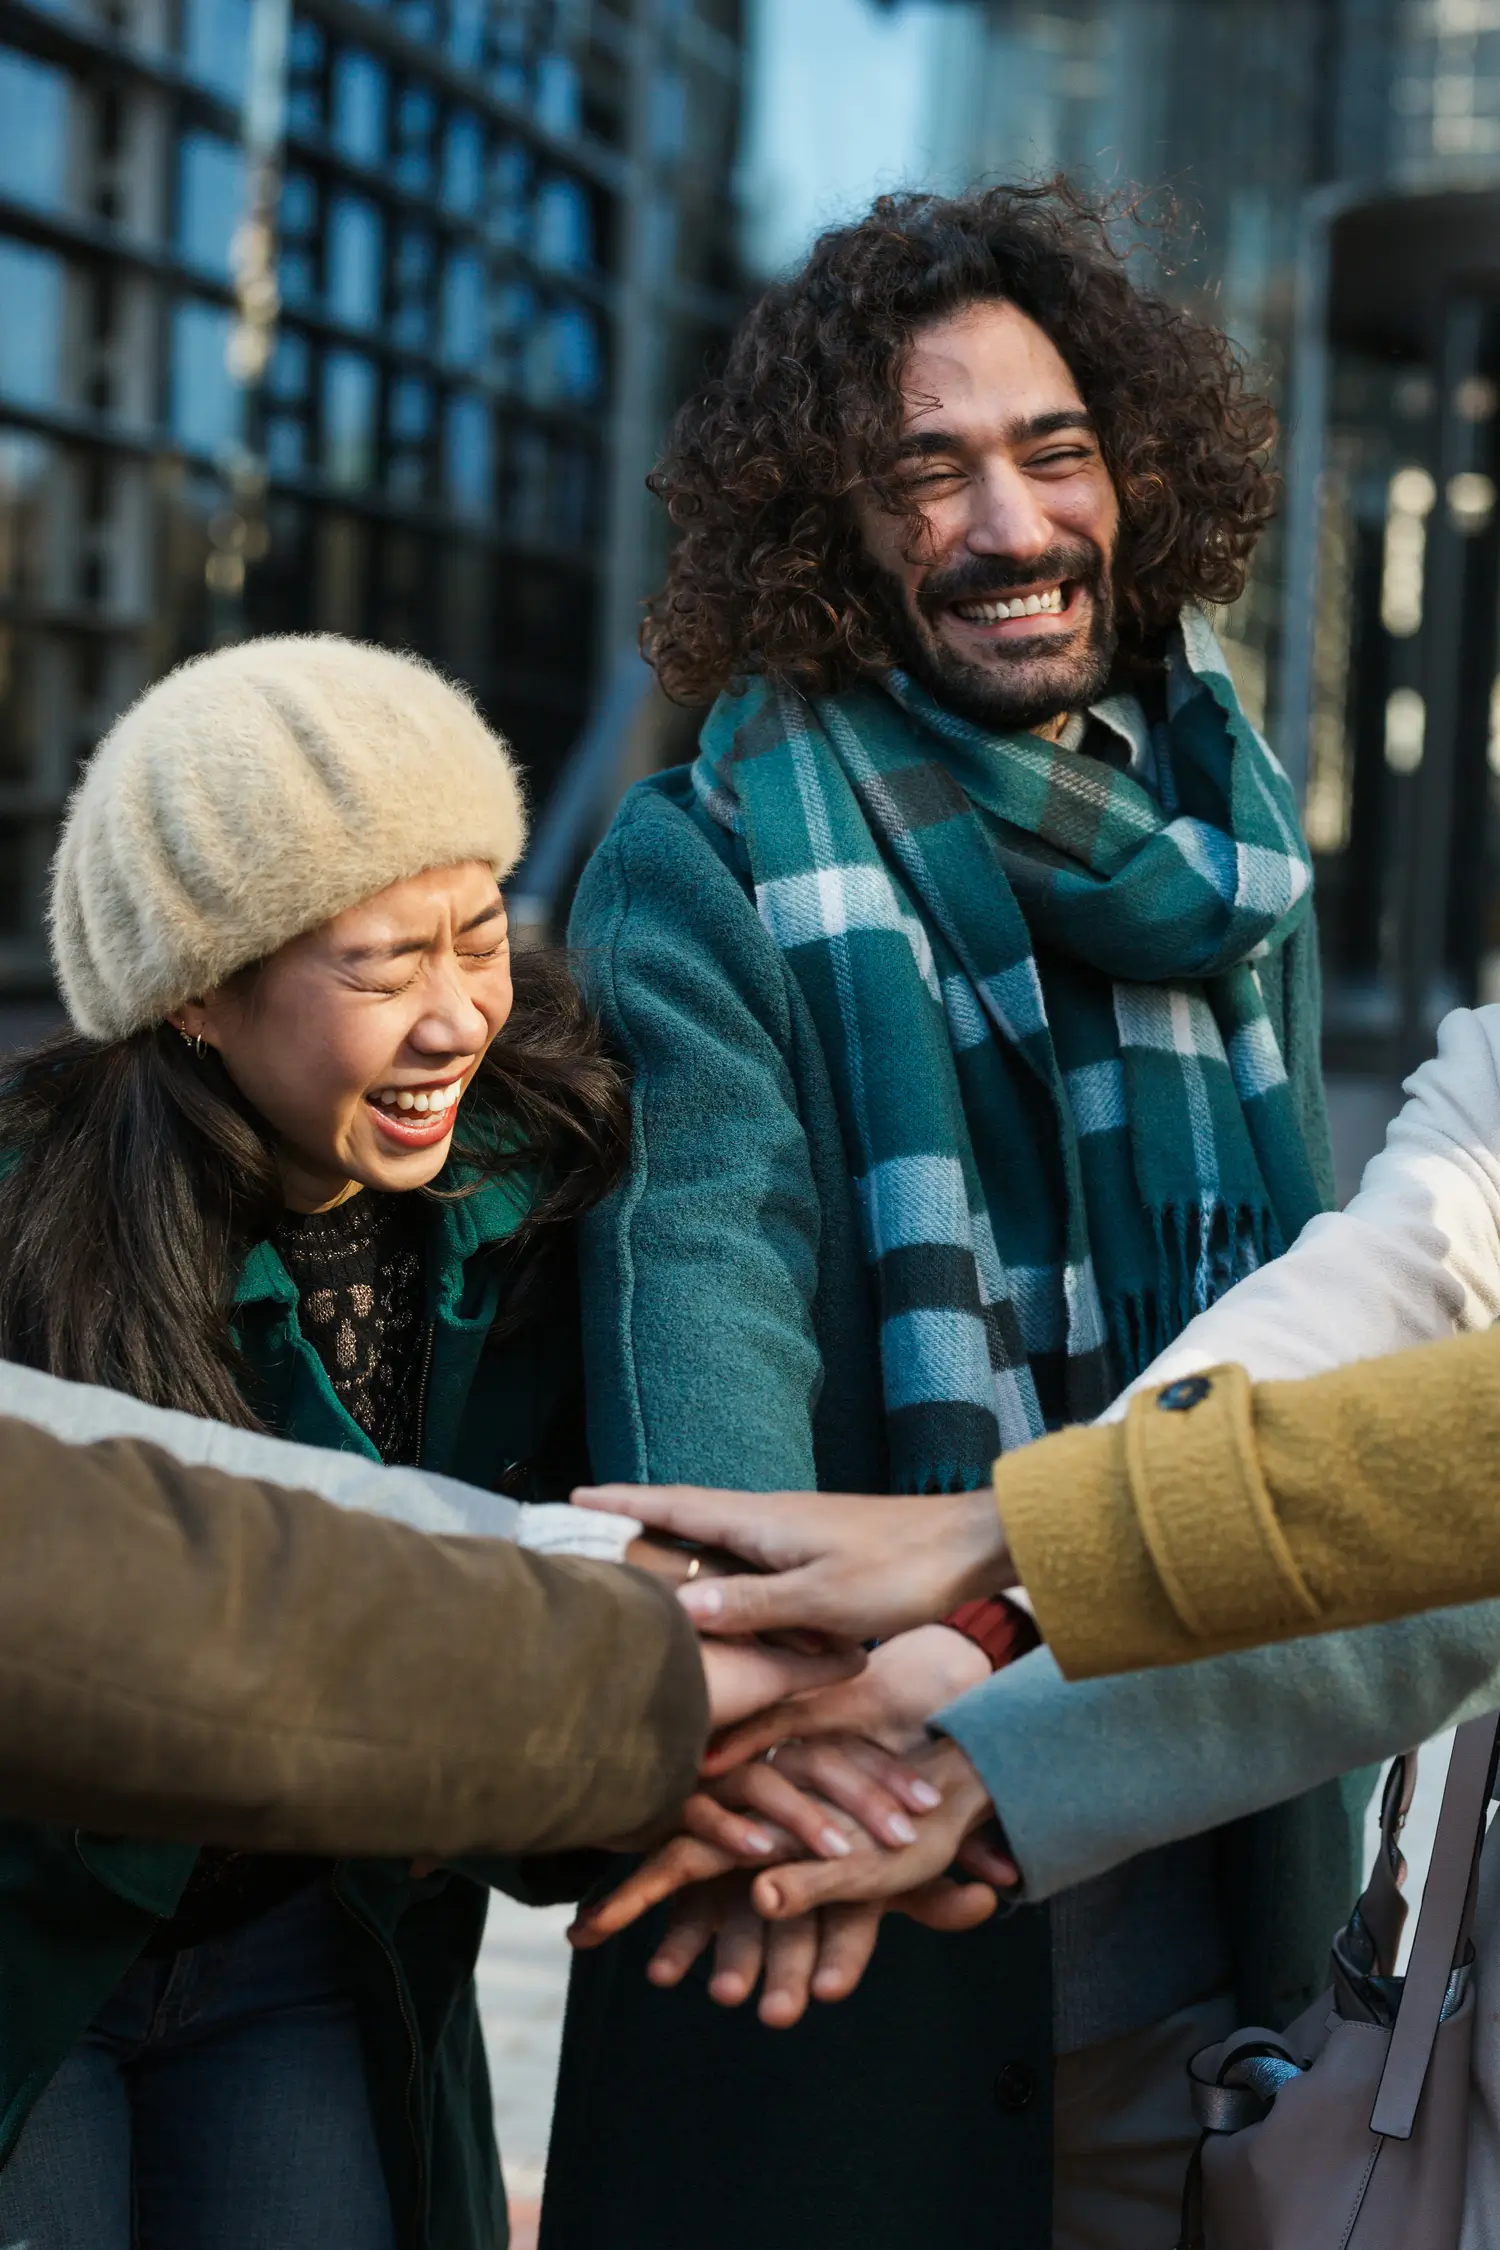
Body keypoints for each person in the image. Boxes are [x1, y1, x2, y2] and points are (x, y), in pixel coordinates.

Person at [546, 179, 1348, 2250]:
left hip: (1205, 1912)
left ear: (1136, 481)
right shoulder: (704, 853)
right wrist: (804, 1763)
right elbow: (701, 1298)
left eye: (1053, 452)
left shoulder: (1227, 862)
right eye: (930, 471)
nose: (1008, 525)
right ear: (833, 531)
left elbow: (1335, 1343)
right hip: (846, 1930)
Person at [0, 632, 856, 2250]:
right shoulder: (32, 1219)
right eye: (382, 966)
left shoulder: (553, 1179)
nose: (459, 1014)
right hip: (37, 1951)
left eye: (482, 935)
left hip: (314, 1941)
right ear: (199, 989)